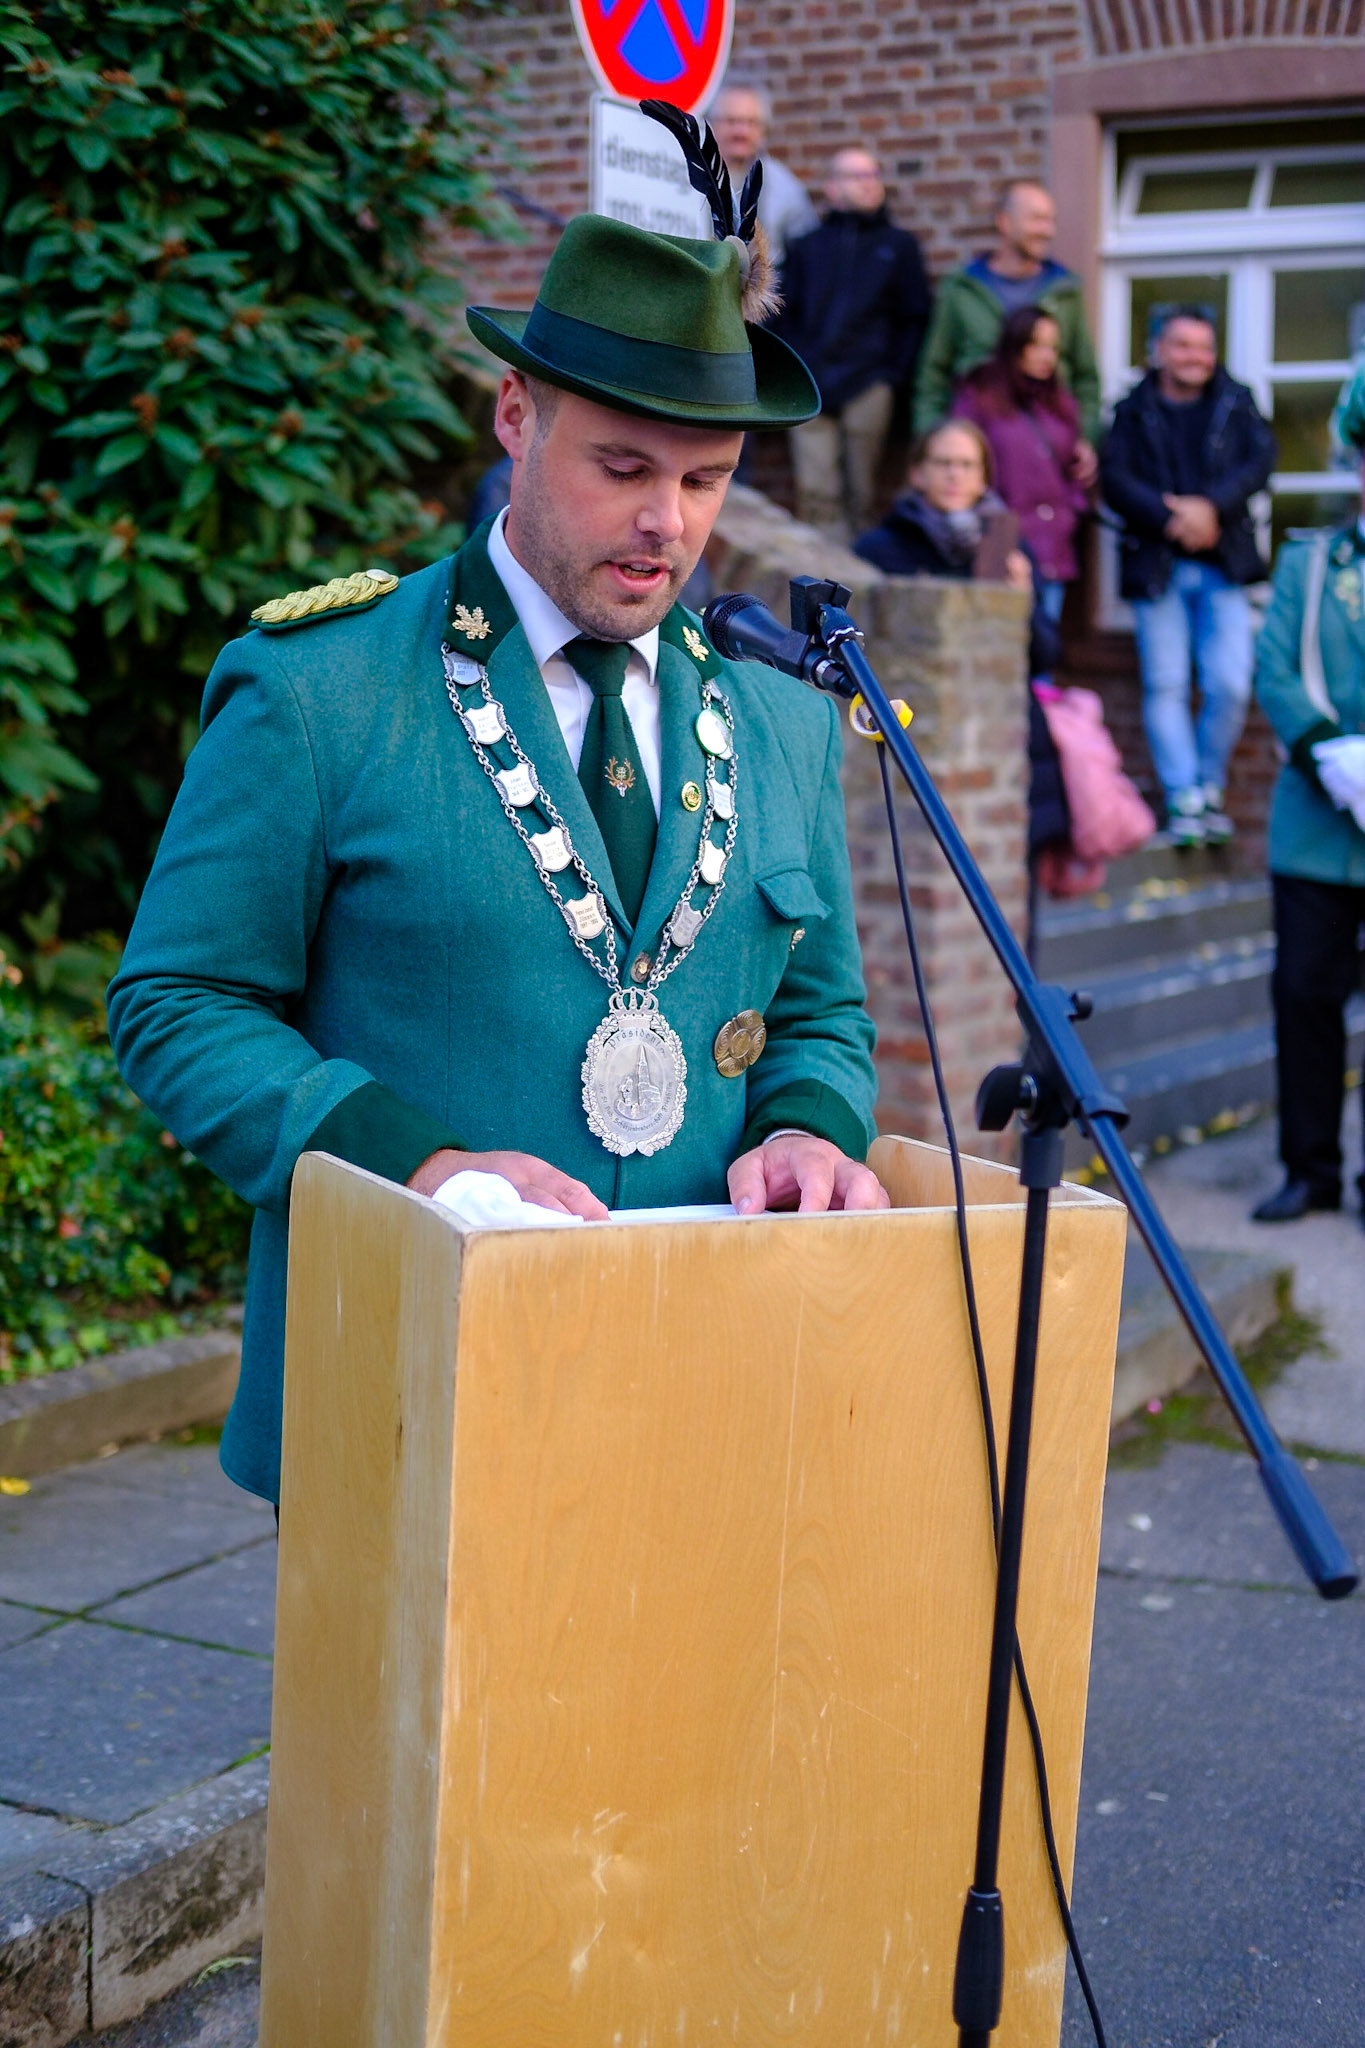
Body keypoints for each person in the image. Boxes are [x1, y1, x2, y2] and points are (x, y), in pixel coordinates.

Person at [107, 205, 886, 1509]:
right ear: (515, 416)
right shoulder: (326, 688)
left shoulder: (788, 723)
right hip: (412, 1382)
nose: (667, 525)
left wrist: (809, 1128)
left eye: (705, 481)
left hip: (707, 1381)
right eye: (623, 468)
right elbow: (178, 1003)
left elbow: (818, 1012)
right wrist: (419, 1168)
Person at [853, 420, 1070, 866]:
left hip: (1007, 740)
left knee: (1010, 882)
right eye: (944, 463)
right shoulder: (879, 550)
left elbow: (1046, 657)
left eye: (967, 465)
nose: (955, 476)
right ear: (918, 473)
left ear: (984, 477)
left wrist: (1023, 603)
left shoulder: (1008, 549)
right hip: (920, 732)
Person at [1100, 305, 1276, 846]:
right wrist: (1170, 516)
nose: (1196, 357)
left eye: (1204, 346)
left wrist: (1208, 508)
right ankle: (1184, 798)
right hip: (1161, 568)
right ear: (1157, 350)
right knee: (1167, 683)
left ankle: (1210, 785)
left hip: (1224, 565)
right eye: (1183, 346)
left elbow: (1262, 460)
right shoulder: (1132, 409)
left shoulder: (1236, 400)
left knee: (1229, 681)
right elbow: (1115, 480)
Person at [1249, 424, 1365, 1225]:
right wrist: (1333, 754)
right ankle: (1309, 1170)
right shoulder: (1310, 560)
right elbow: (1275, 668)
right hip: (1316, 824)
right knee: (1302, 995)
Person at [777, 146, 931, 539]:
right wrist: (795, 366)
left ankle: (856, 586)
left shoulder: (898, 246)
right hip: (809, 384)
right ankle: (824, 585)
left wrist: (892, 377)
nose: (869, 184)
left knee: (862, 494)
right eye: (857, 176)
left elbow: (914, 317)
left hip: (869, 383)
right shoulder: (807, 246)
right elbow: (783, 311)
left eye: (873, 175)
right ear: (832, 187)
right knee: (815, 496)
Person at [913, 178, 1101, 451]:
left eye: (1051, 221)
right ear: (1004, 222)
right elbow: (933, 375)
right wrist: (930, 440)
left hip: (1048, 449)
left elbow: (1086, 377)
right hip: (977, 444)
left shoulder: (1066, 291)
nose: (1047, 230)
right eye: (1037, 220)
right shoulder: (963, 288)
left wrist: (1085, 439)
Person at [950, 303, 1091, 629]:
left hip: (1054, 543)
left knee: (1043, 645)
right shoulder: (980, 396)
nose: (1047, 356)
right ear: (1015, 345)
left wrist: (1073, 504)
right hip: (1003, 543)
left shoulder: (1059, 403)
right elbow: (963, 456)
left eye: (1053, 347)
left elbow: (1071, 465)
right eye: (1036, 345)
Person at [707, 76, 818, 269]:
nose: (741, 132)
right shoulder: (686, 176)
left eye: (751, 123)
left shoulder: (784, 184)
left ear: (763, 130)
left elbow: (806, 253)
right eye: (731, 121)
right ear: (712, 124)